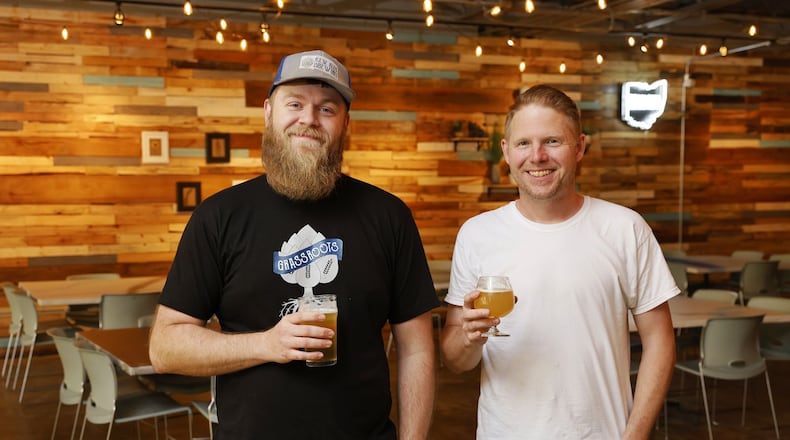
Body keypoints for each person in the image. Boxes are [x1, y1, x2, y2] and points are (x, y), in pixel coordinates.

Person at [149, 49, 439, 439]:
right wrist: (267, 344)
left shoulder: (389, 216)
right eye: (295, 104)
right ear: (269, 112)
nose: (309, 119)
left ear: (345, 122)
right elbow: (165, 347)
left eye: (327, 109)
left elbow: (418, 349)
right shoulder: (219, 216)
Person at [440, 84, 678, 439]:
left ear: (580, 147)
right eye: (523, 143)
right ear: (506, 152)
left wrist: (635, 435)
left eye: (552, 141)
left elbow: (660, 341)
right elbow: (455, 361)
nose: (537, 156)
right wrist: (469, 339)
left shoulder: (625, 228)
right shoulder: (477, 234)